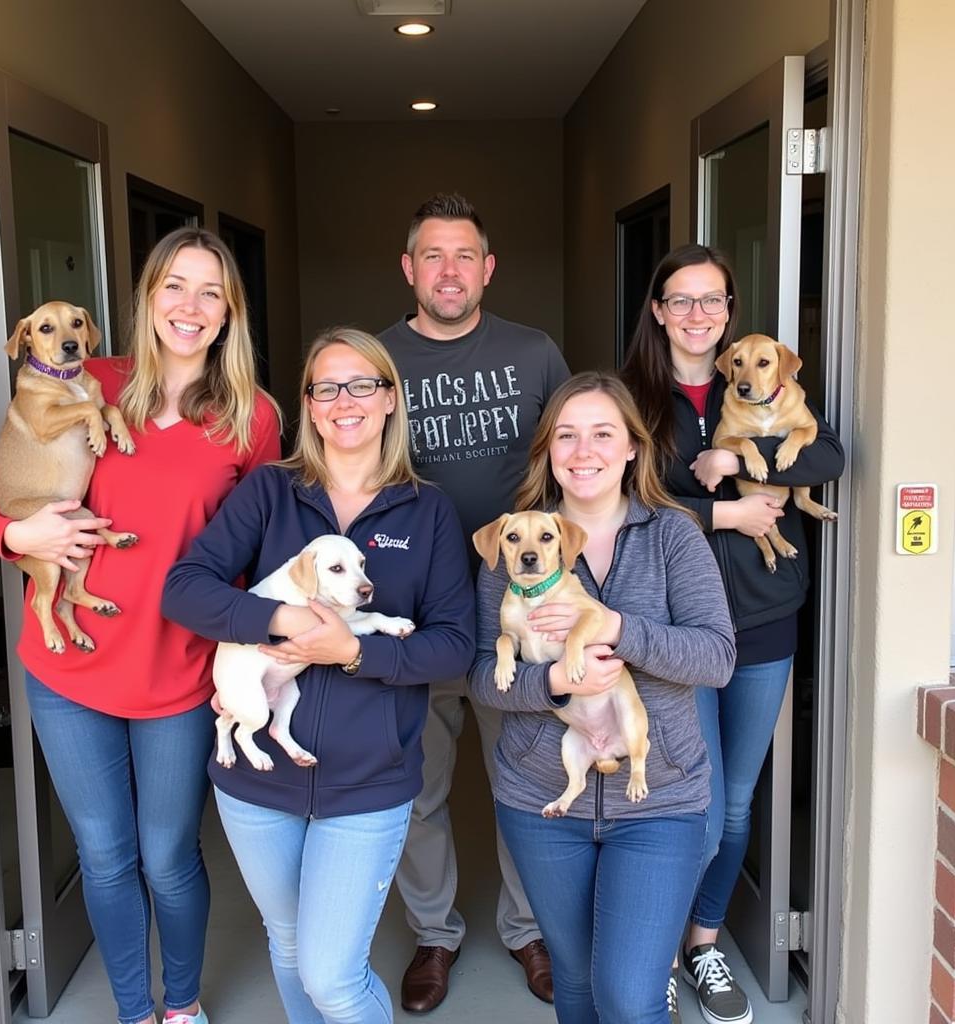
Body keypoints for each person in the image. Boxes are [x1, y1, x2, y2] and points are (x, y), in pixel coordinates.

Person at [0, 227, 282, 1024]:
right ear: (147, 298)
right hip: (68, 671)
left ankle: (181, 1007)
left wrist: (253, 659)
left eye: (210, 292)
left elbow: (265, 554)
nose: (190, 306)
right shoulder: (88, 379)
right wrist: (16, 536)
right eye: (174, 285)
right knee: (105, 859)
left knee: (170, 858)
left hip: (177, 671)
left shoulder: (253, 420)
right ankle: (135, 1013)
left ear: (229, 313)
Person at [161, 327, 476, 1024]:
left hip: (369, 781)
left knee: (333, 978)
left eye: (362, 384)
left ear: (391, 399)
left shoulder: (427, 511)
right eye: (326, 387)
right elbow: (184, 587)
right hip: (257, 781)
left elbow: (455, 646)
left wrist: (357, 654)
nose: (345, 401)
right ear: (308, 404)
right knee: (290, 943)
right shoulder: (269, 492)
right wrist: (280, 622)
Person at [621, 244, 845, 1024]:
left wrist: (755, 464)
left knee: (740, 803)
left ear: (729, 314)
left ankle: (703, 941)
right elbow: (621, 501)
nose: (697, 314)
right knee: (696, 806)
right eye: (680, 300)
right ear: (657, 311)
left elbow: (832, 453)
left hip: (762, 618)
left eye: (711, 300)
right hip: (674, 626)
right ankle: (649, 950)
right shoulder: (633, 396)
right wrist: (725, 509)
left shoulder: (764, 384)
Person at [469, 371, 735, 1023]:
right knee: (578, 986)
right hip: (541, 801)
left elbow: (717, 656)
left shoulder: (674, 536)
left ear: (632, 448)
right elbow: (482, 676)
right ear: (547, 452)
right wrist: (554, 683)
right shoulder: (514, 543)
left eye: (602, 434)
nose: (583, 451)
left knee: (630, 997)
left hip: (659, 801)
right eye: (566, 435)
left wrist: (620, 629)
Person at [379, 191, 570, 1011]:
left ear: (488, 269)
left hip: (515, 612)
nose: (449, 271)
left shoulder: (534, 353)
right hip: (414, 616)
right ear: (408, 268)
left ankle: (530, 930)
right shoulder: (376, 361)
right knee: (414, 788)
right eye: (433, 255)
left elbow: (579, 465)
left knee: (526, 780)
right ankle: (433, 933)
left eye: (465, 256)